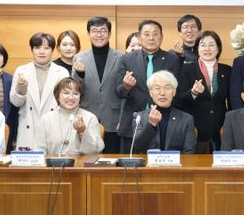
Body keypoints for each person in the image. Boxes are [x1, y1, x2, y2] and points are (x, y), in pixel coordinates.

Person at [115, 20, 181, 153]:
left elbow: (175, 91)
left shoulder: (172, 59)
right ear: (139, 38)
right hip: (132, 122)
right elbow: (118, 91)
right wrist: (126, 86)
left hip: (161, 120)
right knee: (130, 162)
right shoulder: (126, 59)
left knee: (158, 161)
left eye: (155, 34)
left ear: (161, 37)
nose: (151, 38)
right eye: (146, 34)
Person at [10, 32, 70, 149]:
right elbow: (15, 102)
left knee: (52, 160)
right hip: (28, 127)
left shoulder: (62, 72)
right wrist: (21, 88)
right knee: (28, 160)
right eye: (37, 47)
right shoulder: (21, 71)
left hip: (54, 127)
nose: (41, 52)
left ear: (52, 50)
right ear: (32, 50)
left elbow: (66, 103)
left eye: (46, 48)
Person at [72, 17, 122, 153]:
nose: (99, 34)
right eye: (94, 31)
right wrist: (80, 74)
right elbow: (75, 89)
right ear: (88, 34)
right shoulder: (79, 58)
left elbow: (123, 92)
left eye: (103, 31)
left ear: (109, 34)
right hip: (87, 117)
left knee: (112, 160)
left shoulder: (121, 57)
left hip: (113, 119)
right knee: (88, 159)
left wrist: (122, 119)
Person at [176, 30, 231, 153]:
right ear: (197, 48)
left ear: (218, 48)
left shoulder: (227, 71)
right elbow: (179, 100)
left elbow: (231, 101)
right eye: (203, 45)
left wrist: (229, 126)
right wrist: (193, 92)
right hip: (195, 130)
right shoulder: (186, 70)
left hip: (220, 130)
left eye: (211, 45)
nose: (207, 49)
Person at [35, 77, 104, 155]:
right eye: (66, 93)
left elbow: (96, 150)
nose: (71, 97)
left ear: (80, 97)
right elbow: (39, 152)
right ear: (57, 96)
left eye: (75, 93)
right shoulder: (45, 119)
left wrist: (83, 132)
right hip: (52, 163)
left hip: (81, 163)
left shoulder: (90, 118)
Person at [131, 71, 196, 153]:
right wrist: (151, 125)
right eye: (157, 88)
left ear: (174, 92)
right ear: (151, 93)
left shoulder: (186, 119)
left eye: (167, 88)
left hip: (177, 161)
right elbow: (137, 146)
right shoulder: (139, 117)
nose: (162, 93)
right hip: (148, 161)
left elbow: (189, 152)